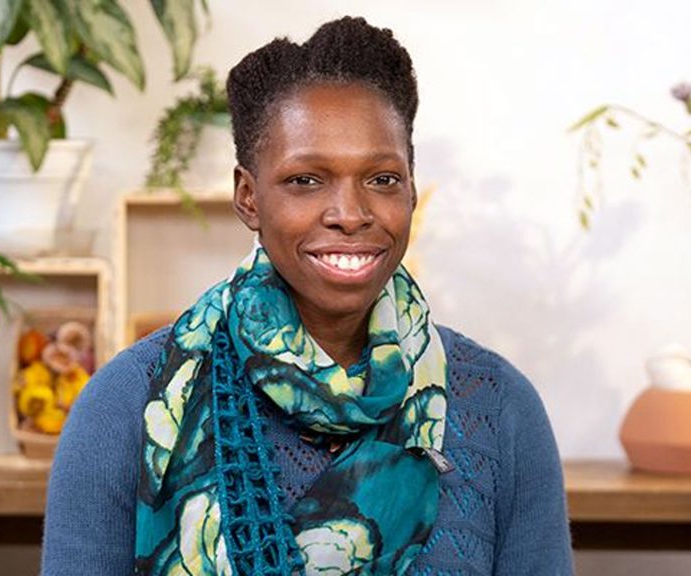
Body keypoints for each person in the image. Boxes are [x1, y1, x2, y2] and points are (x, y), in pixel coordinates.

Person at [42, 16, 573, 575]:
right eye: (306, 180)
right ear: (248, 197)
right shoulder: (127, 407)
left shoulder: (499, 410)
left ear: (413, 189)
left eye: (382, 179)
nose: (350, 214)